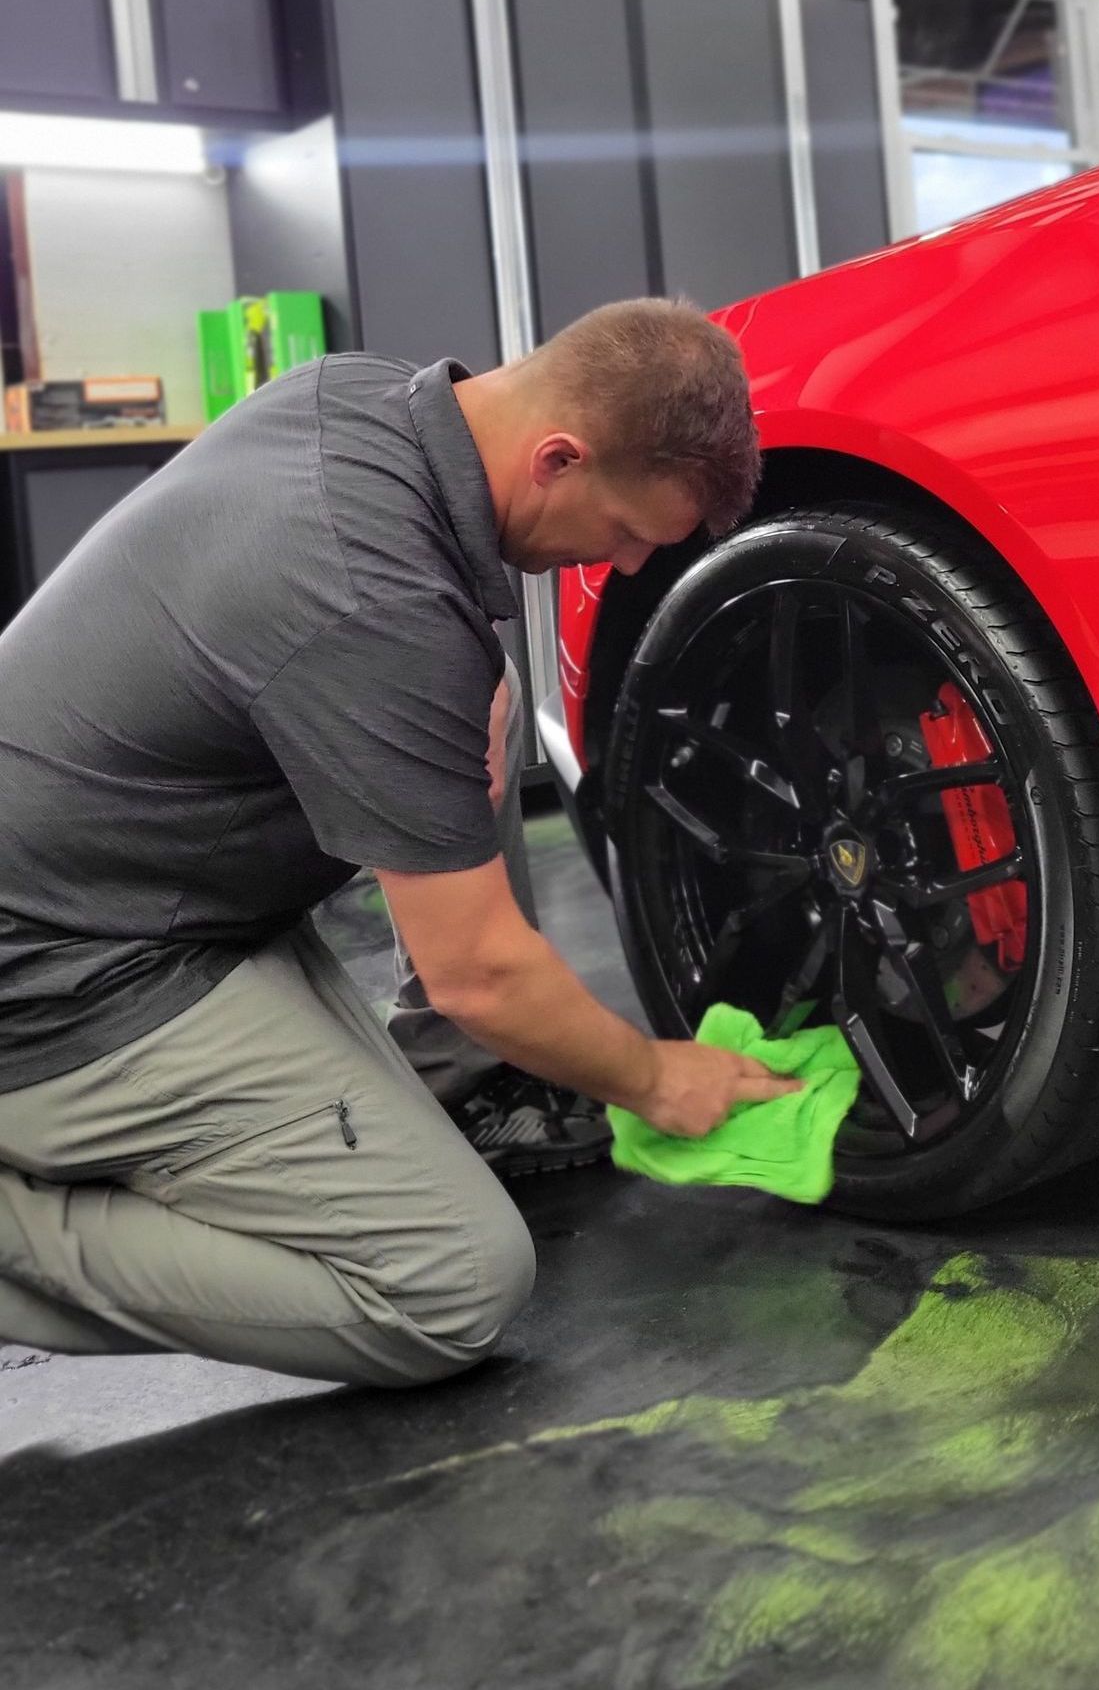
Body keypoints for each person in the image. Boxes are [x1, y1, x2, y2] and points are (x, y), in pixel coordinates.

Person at [0, 299, 799, 1388]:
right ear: (560, 458)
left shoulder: (358, 397)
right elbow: (480, 973)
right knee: (449, 1284)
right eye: (626, 533)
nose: (618, 565)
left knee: (479, 688)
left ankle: (461, 1081)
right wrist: (654, 1077)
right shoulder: (373, 600)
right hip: (60, 978)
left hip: (106, 868)